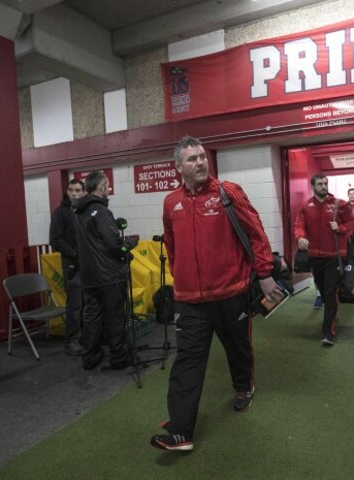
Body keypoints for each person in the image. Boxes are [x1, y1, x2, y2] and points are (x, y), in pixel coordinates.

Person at [151, 135, 283, 452]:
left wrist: (265, 275)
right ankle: (181, 431)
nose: (200, 162)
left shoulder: (227, 193)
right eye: (192, 159)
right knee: (187, 362)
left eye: (202, 157)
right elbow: (172, 245)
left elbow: (256, 232)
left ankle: (244, 386)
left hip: (230, 293)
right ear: (179, 166)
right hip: (189, 300)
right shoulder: (171, 203)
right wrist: (180, 276)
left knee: (238, 349)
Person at [74, 171, 131, 371]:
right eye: (107, 185)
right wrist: (128, 246)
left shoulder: (79, 212)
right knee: (115, 317)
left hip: (89, 277)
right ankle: (119, 358)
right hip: (109, 275)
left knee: (91, 318)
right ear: (100, 187)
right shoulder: (101, 211)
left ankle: (89, 357)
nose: (109, 188)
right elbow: (115, 245)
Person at [294, 173, 354, 345]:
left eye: (325, 183)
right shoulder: (306, 206)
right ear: (313, 186)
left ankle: (328, 331)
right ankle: (332, 313)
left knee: (330, 291)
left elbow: (353, 222)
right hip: (315, 256)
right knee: (322, 289)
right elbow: (299, 225)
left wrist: (341, 227)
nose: (323, 186)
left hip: (335, 257)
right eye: (320, 184)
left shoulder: (339, 204)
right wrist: (300, 237)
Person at [49, 179, 85, 355]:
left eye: (78, 190)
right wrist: (74, 253)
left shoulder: (84, 211)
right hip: (72, 265)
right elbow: (55, 240)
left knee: (87, 303)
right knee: (75, 305)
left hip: (88, 265)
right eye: (71, 190)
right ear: (67, 192)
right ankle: (71, 341)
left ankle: (87, 338)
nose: (74, 193)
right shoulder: (60, 213)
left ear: (84, 192)